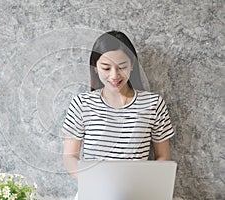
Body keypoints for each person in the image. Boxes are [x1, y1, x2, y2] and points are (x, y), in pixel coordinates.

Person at [62, 30, 174, 198]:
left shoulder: (153, 104)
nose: (114, 75)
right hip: (94, 192)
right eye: (106, 68)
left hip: (138, 193)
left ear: (132, 64)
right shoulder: (82, 103)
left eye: (122, 67)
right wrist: (92, 182)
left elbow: (163, 157)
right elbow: (70, 156)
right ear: (95, 67)